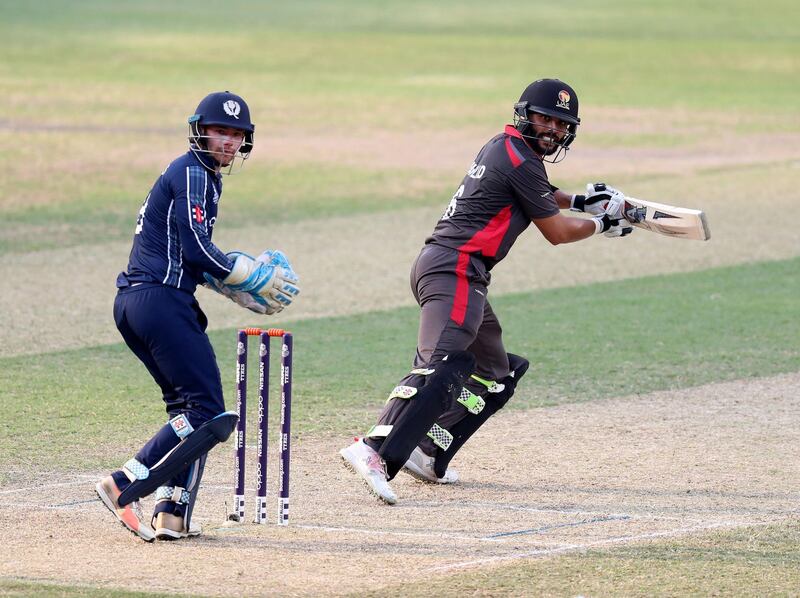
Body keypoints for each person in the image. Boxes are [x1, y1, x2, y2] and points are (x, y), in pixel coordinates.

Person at [340, 78, 633, 504]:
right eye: (545, 118)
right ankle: (372, 448)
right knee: (439, 364)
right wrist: (603, 224)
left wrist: (583, 202)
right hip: (455, 270)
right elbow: (556, 232)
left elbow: (543, 195)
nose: (552, 129)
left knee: (494, 372)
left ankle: (428, 451)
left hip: (458, 271)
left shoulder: (506, 148)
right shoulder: (520, 159)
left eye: (561, 124)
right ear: (525, 115)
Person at [95, 91, 300, 541]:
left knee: (189, 409)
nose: (227, 141)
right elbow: (196, 248)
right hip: (159, 301)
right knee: (209, 412)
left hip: (141, 303)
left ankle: (172, 512)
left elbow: (189, 256)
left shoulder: (200, 176)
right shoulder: (193, 173)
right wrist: (243, 276)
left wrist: (233, 286)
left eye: (236, 134)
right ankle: (122, 483)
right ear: (200, 131)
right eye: (220, 131)